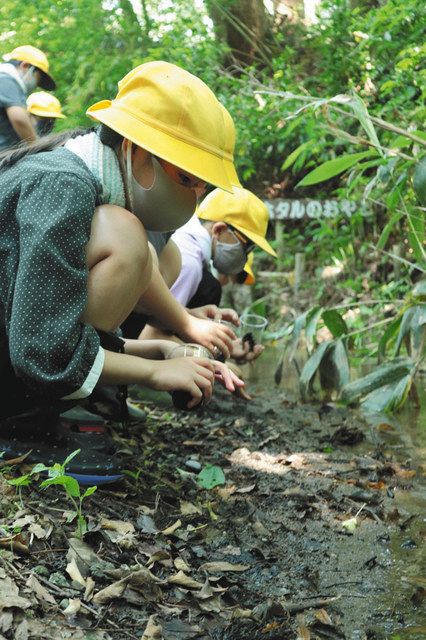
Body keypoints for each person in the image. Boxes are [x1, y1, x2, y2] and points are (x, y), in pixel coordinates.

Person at [0, 61, 243, 484]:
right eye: (188, 178)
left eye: (204, 186)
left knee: (139, 248)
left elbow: (49, 327)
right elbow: (41, 349)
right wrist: (153, 373)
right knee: (129, 238)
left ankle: (36, 408)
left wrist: (160, 352)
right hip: (24, 367)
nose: (195, 197)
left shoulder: (82, 175)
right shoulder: (63, 185)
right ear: (134, 151)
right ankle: (22, 417)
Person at [0, 45, 56, 149]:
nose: (35, 86)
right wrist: (37, 148)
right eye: (37, 80)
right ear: (25, 66)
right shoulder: (6, 80)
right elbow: (19, 119)